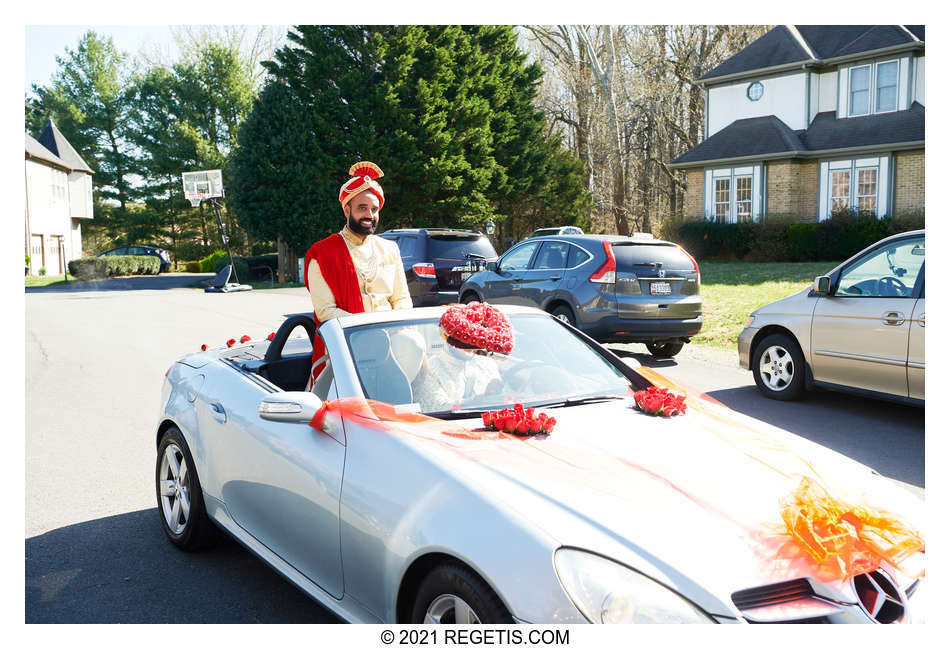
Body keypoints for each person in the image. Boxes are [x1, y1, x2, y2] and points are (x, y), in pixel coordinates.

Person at [304, 161, 411, 388]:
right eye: (362, 208)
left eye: (374, 209)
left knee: (415, 345)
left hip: (391, 338)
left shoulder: (389, 249)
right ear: (347, 210)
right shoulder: (322, 253)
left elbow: (401, 299)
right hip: (345, 342)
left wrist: (394, 328)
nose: (369, 215)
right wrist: (366, 330)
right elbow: (325, 311)